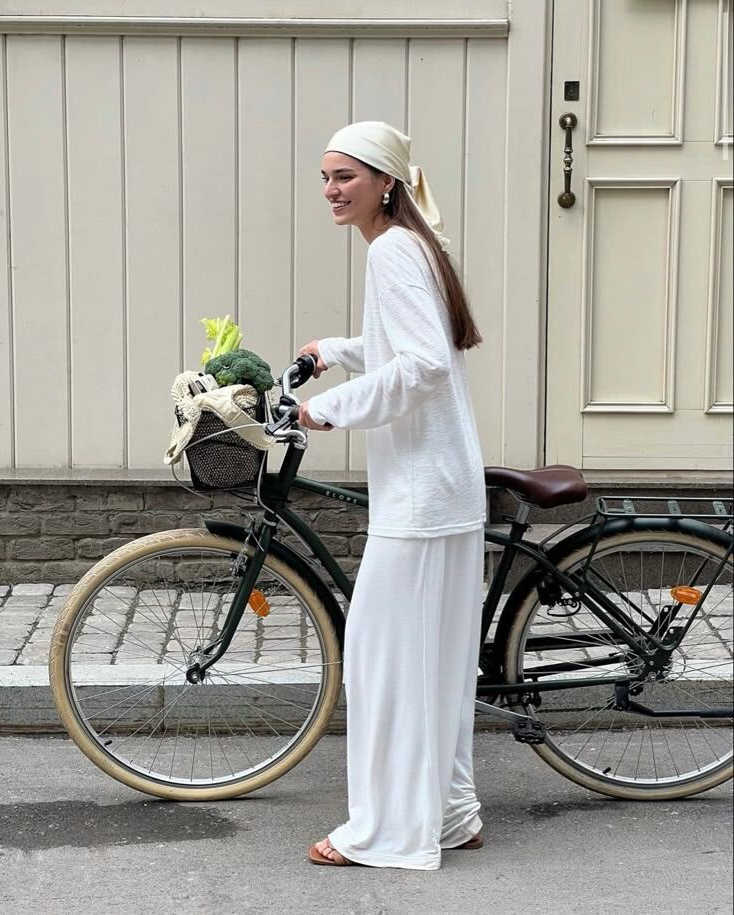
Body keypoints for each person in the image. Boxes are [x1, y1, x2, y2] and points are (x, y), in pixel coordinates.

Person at [297, 121, 487, 870]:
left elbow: (425, 365)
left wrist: (328, 409)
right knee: (436, 670)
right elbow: (404, 348)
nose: (331, 190)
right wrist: (334, 351)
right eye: (325, 176)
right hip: (442, 490)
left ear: (386, 183)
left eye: (345, 176)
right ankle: (452, 814)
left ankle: (386, 832)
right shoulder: (411, 244)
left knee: (385, 668)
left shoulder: (391, 251)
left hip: (421, 498)